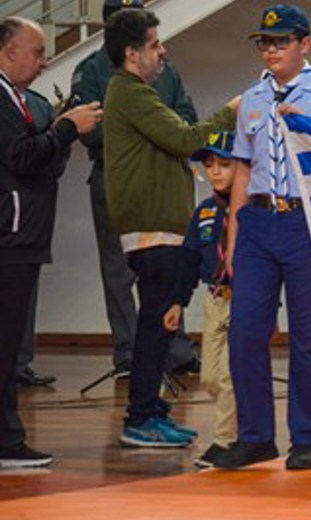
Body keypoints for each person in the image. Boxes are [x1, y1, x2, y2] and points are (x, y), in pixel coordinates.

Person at [214, 4, 311, 471]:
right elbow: (242, 167)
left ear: (304, 45)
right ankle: (255, 436)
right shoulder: (251, 98)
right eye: (265, 43)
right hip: (258, 220)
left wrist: (309, 132)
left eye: (281, 41)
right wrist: (234, 234)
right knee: (245, 332)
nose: (272, 50)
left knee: (309, 335)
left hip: (306, 220)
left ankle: (307, 436)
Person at [102, 8, 237, 448]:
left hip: (158, 228)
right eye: (156, 44)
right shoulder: (132, 94)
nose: (164, 51)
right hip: (152, 229)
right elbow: (184, 139)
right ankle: (140, 416)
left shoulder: (135, 92)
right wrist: (230, 113)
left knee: (160, 324)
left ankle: (150, 409)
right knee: (156, 325)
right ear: (132, 52)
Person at [71, 0, 201, 378]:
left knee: (170, 267)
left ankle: (175, 352)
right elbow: (92, 129)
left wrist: (160, 130)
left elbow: (187, 116)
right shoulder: (92, 69)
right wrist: (155, 130)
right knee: (119, 271)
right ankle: (129, 353)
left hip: (163, 179)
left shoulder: (165, 68)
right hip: (116, 176)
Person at [0, 16, 102, 467]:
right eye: (37, 52)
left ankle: (7, 437)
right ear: (8, 52)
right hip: (10, 234)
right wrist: (64, 129)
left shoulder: (22, 99)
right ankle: (6, 442)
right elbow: (20, 157)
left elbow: (41, 162)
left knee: (8, 343)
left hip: (23, 234)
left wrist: (59, 136)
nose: (43, 61)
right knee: (4, 346)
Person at [162, 131, 238, 467]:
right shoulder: (205, 211)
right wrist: (178, 301)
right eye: (210, 165)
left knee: (228, 376)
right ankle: (235, 430)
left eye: (225, 164)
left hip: (245, 299)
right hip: (214, 298)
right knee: (209, 376)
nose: (216, 172)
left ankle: (225, 441)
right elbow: (189, 257)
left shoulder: (252, 206)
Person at [14, 88, 66, 388]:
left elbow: (58, 153)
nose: (43, 61)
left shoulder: (40, 103)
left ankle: (20, 363)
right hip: (12, 207)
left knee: (25, 291)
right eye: (36, 53)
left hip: (33, 210)